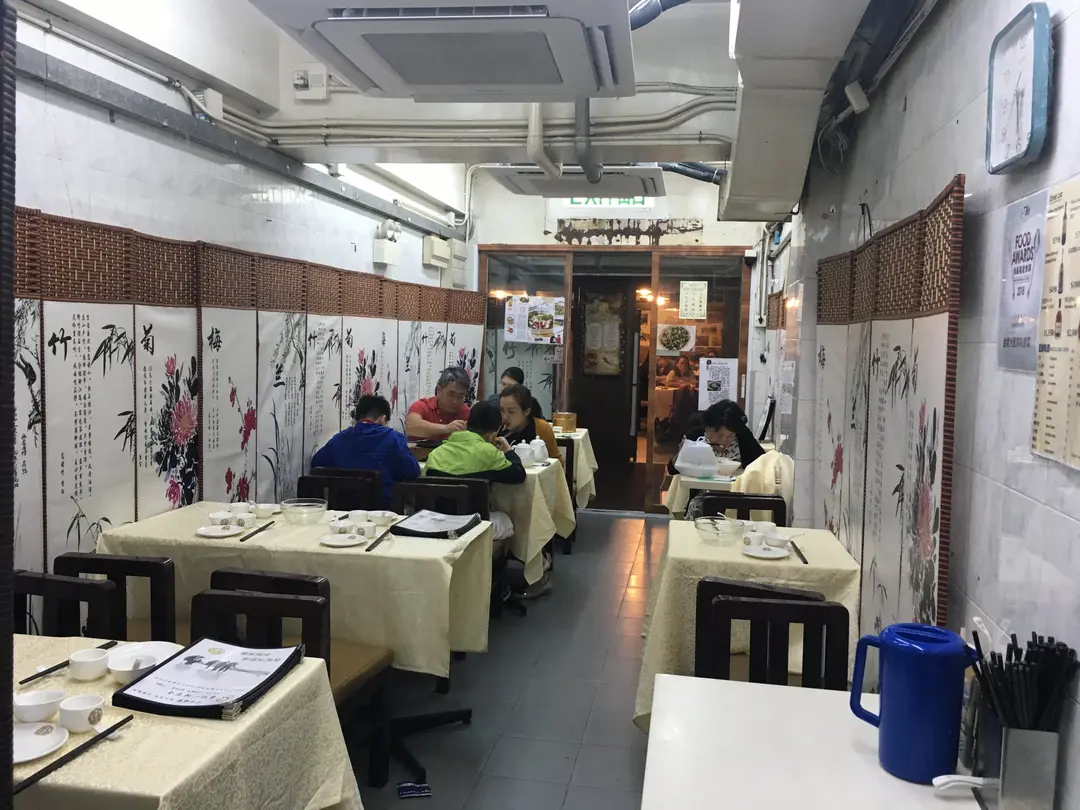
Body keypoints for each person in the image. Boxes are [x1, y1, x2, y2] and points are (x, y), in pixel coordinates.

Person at [311, 394, 421, 508]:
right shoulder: (393, 438)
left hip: (341, 511)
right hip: (383, 511)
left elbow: (316, 463)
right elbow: (412, 472)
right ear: (383, 418)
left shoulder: (340, 438)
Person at [406, 366, 472, 440]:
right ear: (439, 390)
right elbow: (411, 427)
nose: (455, 401)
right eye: (451, 394)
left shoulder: (466, 412)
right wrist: (447, 428)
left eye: (460, 396)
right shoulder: (422, 405)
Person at [498, 384, 559, 458]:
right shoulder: (496, 427)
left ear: (526, 411)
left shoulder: (542, 428)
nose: (505, 416)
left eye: (511, 411)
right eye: (501, 410)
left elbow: (557, 460)